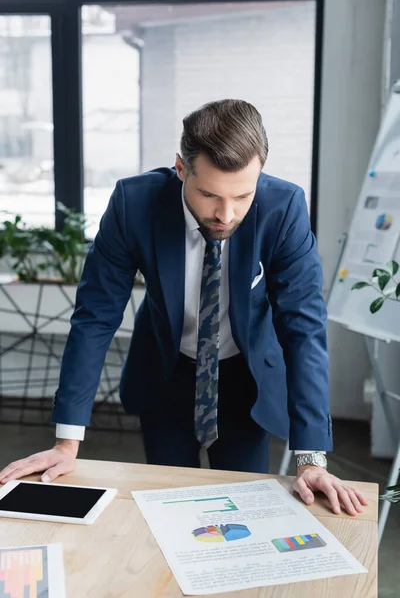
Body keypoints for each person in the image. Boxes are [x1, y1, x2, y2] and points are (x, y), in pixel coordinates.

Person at [0, 99, 367, 516]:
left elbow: (303, 329)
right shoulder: (133, 204)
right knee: (171, 511)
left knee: (243, 513)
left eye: (242, 196)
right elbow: (95, 316)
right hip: (166, 372)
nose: (226, 215)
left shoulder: (284, 209)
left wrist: (311, 459)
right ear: (180, 168)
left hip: (245, 380)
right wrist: (66, 444)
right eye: (209, 194)